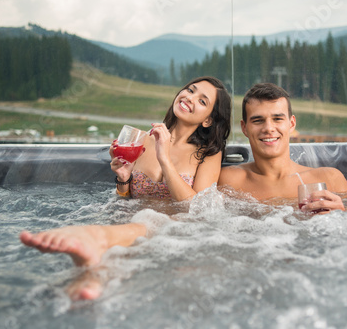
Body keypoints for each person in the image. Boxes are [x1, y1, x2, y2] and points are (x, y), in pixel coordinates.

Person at [20, 76, 231, 299]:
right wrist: (123, 178)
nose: (190, 97)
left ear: (208, 120)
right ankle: (90, 279)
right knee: (119, 249)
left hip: (174, 231)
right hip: (132, 220)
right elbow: (125, 198)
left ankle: (95, 239)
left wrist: (164, 158)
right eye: (190, 90)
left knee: (137, 233)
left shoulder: (208, 154)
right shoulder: (141, 139)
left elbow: (195, 207)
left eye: (202, 101)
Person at [218, 82, 347, 212]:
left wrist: (342, 213)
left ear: (291, 124)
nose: (269, 128)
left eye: (277, 119)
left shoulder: (329, 179)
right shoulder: (228, 180)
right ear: (244, 128)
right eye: (258, 121)